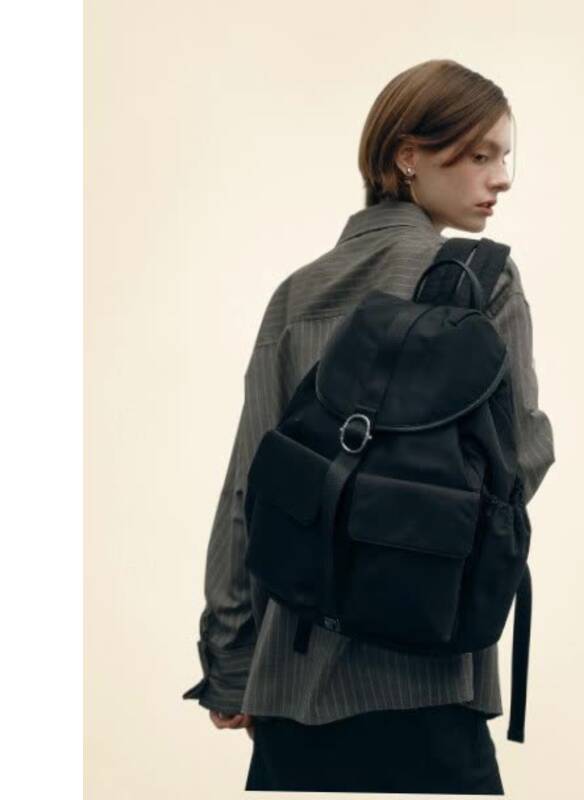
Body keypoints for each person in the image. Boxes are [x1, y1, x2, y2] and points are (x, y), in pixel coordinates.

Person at [183, 58, 556, 794]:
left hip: (294, 687)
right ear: (407, 156)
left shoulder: (297, 295)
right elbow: (518, 463)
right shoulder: (480, 283)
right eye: (480, 155)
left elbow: (248, 491)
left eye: (504, 157)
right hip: (432, 675)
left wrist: (230, 663)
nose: (502, 178)